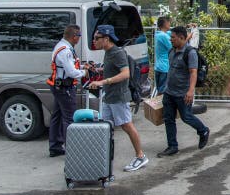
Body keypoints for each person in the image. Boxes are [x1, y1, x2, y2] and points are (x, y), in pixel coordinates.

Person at [89, 25, 149, 172]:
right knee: (105, 126)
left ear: (106, 39)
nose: (94, 41)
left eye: (97, 38)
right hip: (109, 96)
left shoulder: (117, 53)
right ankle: (103, 158)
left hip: (118, 97)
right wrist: (98, 70)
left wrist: (103, 82)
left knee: (126, 125)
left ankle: (140, 156)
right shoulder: (108, 52)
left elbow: (125, 74)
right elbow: (112, 69)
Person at [157, 25, 210, 157]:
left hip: (183, 93)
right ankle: (172, 146)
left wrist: (191, 91)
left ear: (182, 37)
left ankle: (203, 130)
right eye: (171, 37)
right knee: (168, 119)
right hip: (169, 92)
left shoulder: (190, 53)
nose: (171, 40)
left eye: (173, 38)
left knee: (186, 117)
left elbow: (193, 72)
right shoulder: (172, 51)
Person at [47, 24, 86, 157]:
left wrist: (81, 66)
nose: (79, 38)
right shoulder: (65, 50)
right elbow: (71, 72)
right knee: (69, 118)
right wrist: (84, 72)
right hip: (65, 87)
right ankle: (71, 150)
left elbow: (67, 66)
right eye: (79, 36)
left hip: (59, 86)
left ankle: (55, 147)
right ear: (74, 37)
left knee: (57, 116)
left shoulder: (62, 46)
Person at [154, 16, 172, 94]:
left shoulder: (158, 34)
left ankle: (159, 105)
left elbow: (171, 32)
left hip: (158, 66)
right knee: (163, 92)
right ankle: (162, 106)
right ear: (165, 24)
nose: (170, 24)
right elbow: (173, 47)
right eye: (169, 22)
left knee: (160, 90)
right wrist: (187, 38)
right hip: (165, 67)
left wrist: (186, 27)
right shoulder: (163, 36)